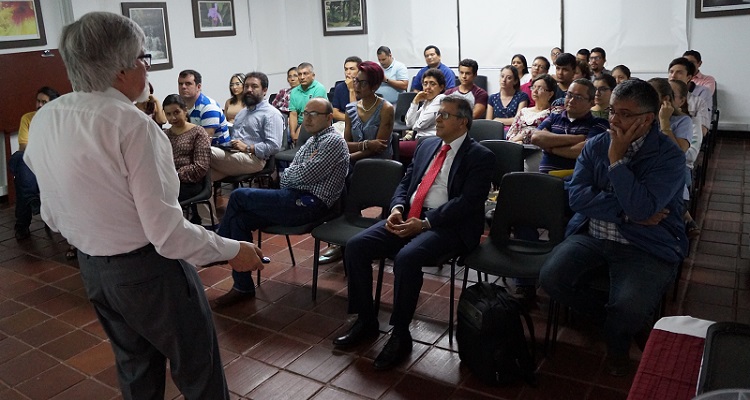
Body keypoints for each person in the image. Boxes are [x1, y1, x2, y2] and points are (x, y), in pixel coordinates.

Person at [23, 12, 264, 400]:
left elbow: (50, 211)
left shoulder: (47, 117)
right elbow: (167, 235)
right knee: (198, 371)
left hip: (93, 268)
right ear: (122, 68)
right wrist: (233, 250)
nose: (147, 67)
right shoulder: (132, 126)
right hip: (149, 271)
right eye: (143, 58)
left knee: (136, 369)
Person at [333, 95, 494, 371]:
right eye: (439, 113)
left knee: (407, 258)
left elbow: (468, 202)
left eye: (445, 115)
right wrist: (396, 207)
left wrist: (426, 223)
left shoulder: (479, 156)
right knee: (357, 246)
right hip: (410, 215)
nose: (438, 118)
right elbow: (407, 181)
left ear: (463, 122)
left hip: (448, 225)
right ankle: (366, 319)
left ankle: (400, 333)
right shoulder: (428, 144)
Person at [539, 79, 688, 377]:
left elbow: (643, 209)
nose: (614, 120)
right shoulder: (597, 144)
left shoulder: (669, 157)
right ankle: (614, 322)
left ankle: (618, 345)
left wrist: (617, 163)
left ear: (648, 118)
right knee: (551, 278)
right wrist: (628, 213)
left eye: (624, 114)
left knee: (629, 307)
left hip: (646, 244)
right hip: (593, 234)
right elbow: (577, 196)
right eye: (611, 112)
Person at [214, 98, 349, 306]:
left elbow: (303, 174)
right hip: (293, 196)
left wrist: (291, 175)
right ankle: (242, 286)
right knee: (240, 219)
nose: (307, 119)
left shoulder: (333, 141)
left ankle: (220, 247)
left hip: (312, 204)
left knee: (239, 196)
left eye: (314, 114)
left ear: (329, 118)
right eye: (306, 113)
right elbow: (291, 175)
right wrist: (293, 175)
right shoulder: (312, 141)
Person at [319, 61, 396, 266]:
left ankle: (363, 237)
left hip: (379, 165)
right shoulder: (351, 108)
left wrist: (351, 155)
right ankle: (342, 235)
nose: (356, 86)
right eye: (355, 81)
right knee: (337, 180)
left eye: (361, 82)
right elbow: (345, 143)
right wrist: (363, 145)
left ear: (374, 86)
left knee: (346, 176)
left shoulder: (386, 108)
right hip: (357, 161)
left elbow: (379, 147)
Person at [210, 71, 283, 180]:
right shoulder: (242, 113)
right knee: (200, 175)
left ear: (264, 90)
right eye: (246, 86)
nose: (249, 90)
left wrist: (248, 148)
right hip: (235, 155)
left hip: (254, 159)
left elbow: (274, 146)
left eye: (254, 86)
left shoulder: (271, 114)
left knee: (204, 151)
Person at [10, 86, 59, 240]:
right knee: (20, 158)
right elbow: (24, 147)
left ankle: (23, 222)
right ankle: (33, 200)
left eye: (44, 102)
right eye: (38, 101)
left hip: (52, 164)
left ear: (52, 103)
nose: (39, 105)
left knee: (23, 180)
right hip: (32, 161)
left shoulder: (59, 120)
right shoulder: (28, 118)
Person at [531, 78, 610, 174]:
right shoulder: (554, 117)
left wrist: (551, 148)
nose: (571, 100)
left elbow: (583, 150)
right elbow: (536, 138)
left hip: (575, 181)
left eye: (578, 97)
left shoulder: (598, 123)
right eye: (569, 95)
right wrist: (577, 138)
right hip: (546, 179)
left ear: (591, 102)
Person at [162, 94, 211, 224]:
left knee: (159, 198)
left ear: (185, 110)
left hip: (190, 183)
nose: (173, 118)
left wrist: (175, 175)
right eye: (168, 114)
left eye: (176, 112)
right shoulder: (164, 134)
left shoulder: (198, 132)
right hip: (167, 181)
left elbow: (201, 166)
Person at [401, 68, 447, 161]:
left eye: (432, 84)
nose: (428, 87)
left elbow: (419, 125)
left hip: (431, 142)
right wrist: (415, 101)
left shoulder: (440, 99)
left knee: (395, 147)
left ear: (441, 87)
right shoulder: (427, 101)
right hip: (421, 140)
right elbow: (409, 123)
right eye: (425, 84)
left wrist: (413, 126)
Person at [178, 69, 230, 146]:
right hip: (197, 145)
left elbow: (206, 141)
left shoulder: (209, 107)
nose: (183, 87)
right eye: (180, 84)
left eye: (188, 84)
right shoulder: (181, 105)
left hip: (218, 148)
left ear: (198, 87)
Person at [506, 74, 556, 145]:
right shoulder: (523, 111)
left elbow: (545, 135)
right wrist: (516, 142)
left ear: (550, 94)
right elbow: (510, 133)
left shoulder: (552, 113)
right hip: (515, 146)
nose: (535, 91)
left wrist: (522, 138)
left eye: (540, 88)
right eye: (533, 87)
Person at [668, 57, 711, 135]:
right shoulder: (660, 97)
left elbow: (703, 130)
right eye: (671, 72)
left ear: (689, 77)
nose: (673, 76)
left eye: (679, 73)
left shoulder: (698, 102)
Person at [288, 62, 327, 142]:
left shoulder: (319, 88)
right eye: (299, 74)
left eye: (305, 74)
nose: (302, 77)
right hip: (301, 124)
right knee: (286, 134)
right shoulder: (294, 91)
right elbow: (293, 114)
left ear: (313, 76)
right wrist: (293, 133)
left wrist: (299, 131)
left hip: (317, 123)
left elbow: (313, 114)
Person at [332, 56, 363, 132]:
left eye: (352, 69)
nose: (348, 72)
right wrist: (349, 119)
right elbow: (335, 113)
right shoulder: (340, 87)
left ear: (359, 71)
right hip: (342, 123)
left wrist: (351, 90)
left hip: (360, 124)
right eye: (346, 69)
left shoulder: (365, 87)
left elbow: (357, 114)